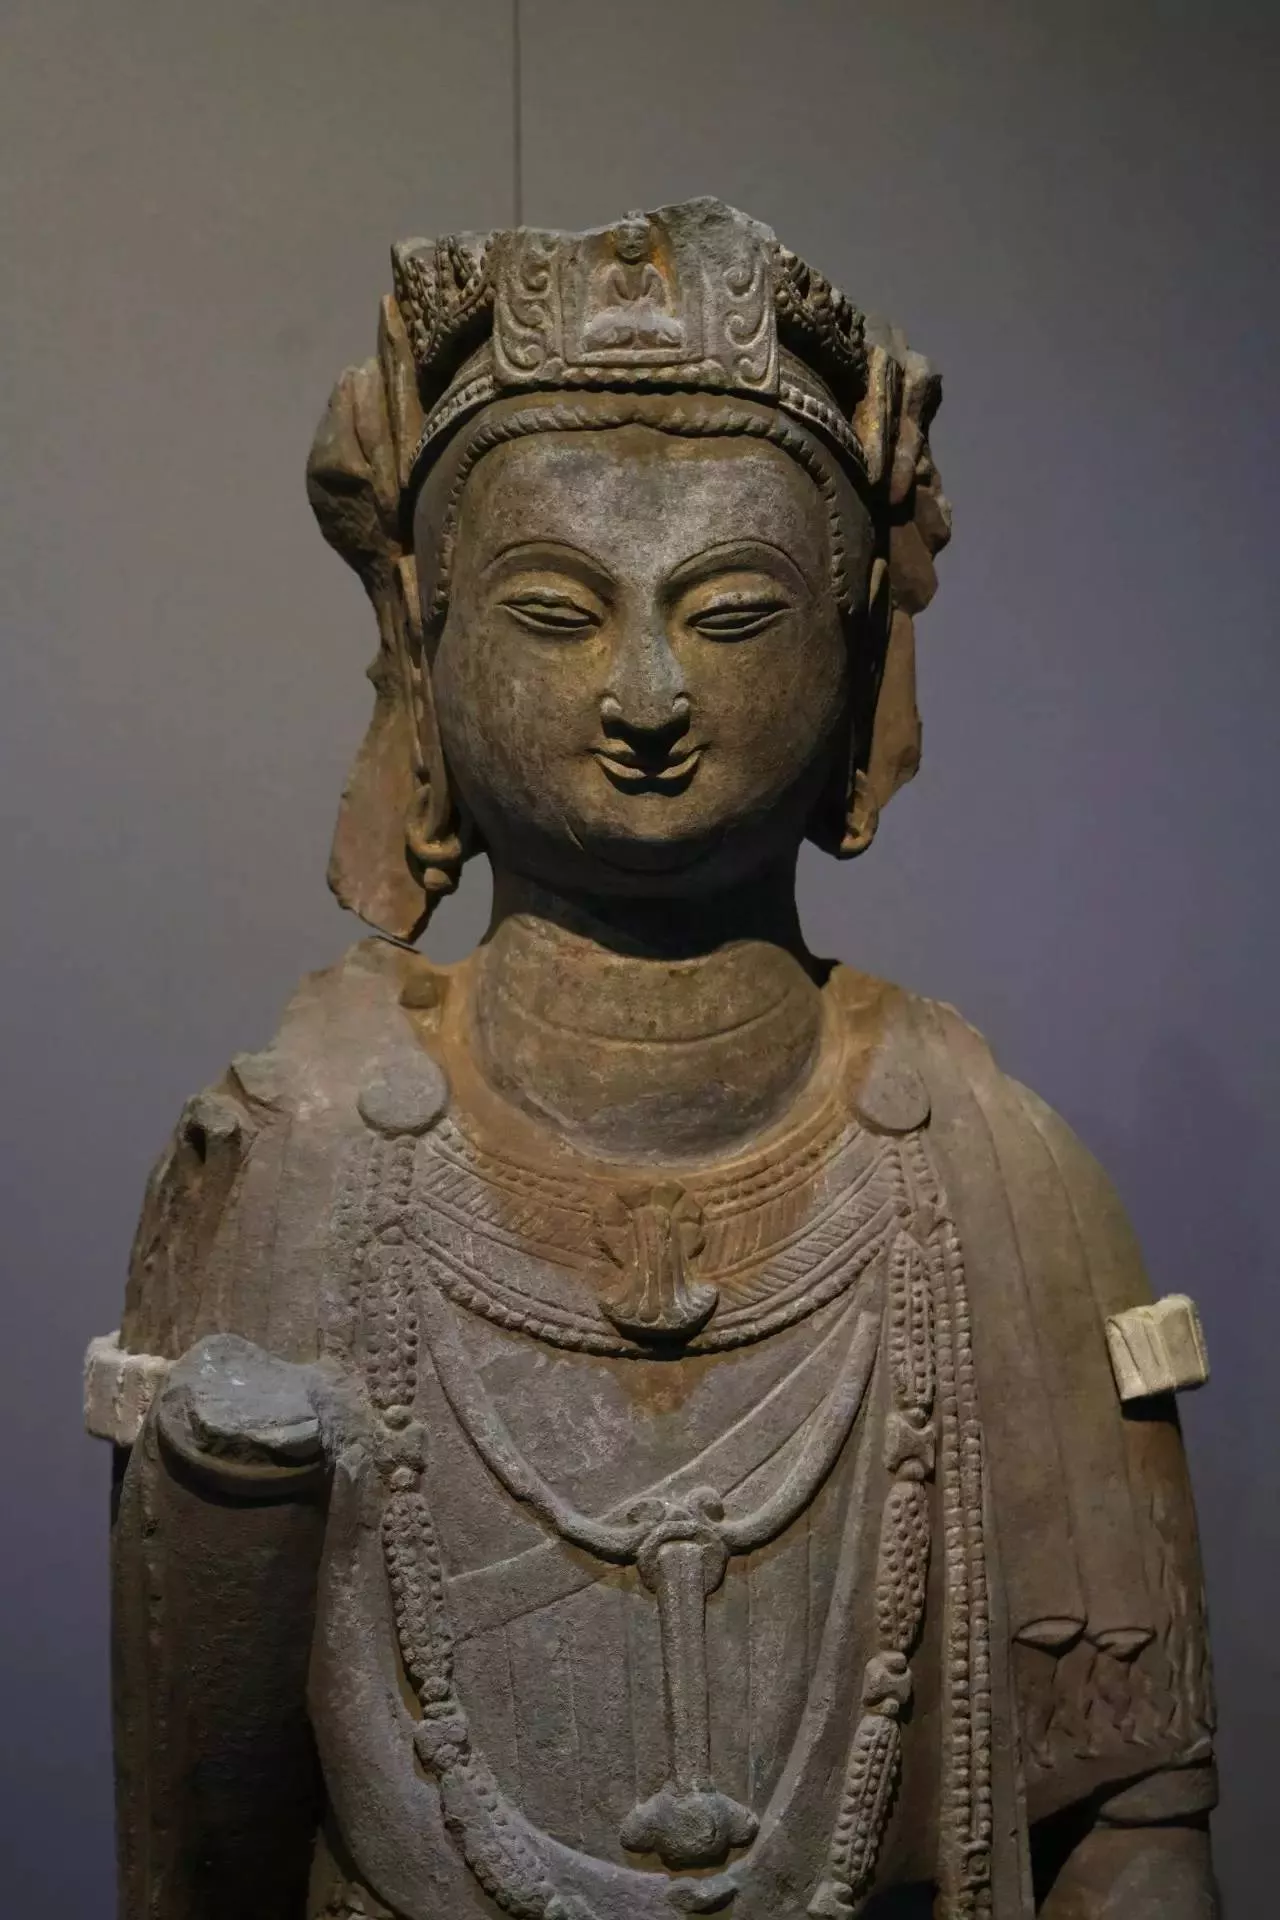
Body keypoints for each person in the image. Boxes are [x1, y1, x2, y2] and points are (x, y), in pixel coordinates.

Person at [89, 200, 1217, 1920]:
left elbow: (1132, 1821)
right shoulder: (290, 1154)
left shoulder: (998, 1174)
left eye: (734, 613)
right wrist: (227, 1513)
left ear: (856, 651)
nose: (644, 695)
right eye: (554, 612)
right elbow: (197, 1855)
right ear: (424, 643)